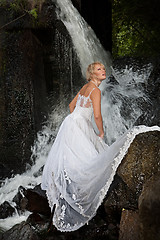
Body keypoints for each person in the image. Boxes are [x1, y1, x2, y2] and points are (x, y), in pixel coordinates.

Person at [41, 62, 159, 232]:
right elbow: (97, 115)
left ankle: (67, 189)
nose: (103, 71)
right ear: (92, 74)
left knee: (74, 156)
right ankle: (80, 195)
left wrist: (78, 119)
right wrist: (100, 132)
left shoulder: (85, 87)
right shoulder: (95, 90)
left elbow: (71, 106)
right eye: (99, 69)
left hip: (70, 123)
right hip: (79, 124)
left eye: (103, 69)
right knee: (88, 160)